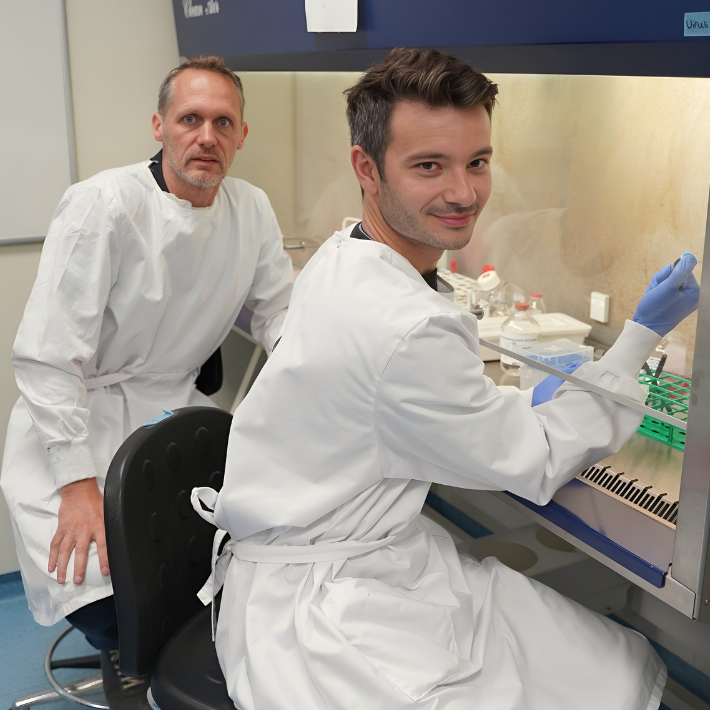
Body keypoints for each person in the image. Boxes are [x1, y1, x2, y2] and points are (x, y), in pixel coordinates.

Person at [193, 49, 699, 710]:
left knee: (607, 663)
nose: (463, 193)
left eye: (477, 162)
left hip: (353, 560)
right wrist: (638, 338)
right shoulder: (406, 327)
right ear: (366, 168)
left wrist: (516, 396)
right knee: (608, 674)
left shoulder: (344, 253)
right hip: (322, 617)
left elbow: (402, 394)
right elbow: (537, 461)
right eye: (429, 166)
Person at [0, 56, 293, 700]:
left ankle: (165, 657)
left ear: (242, 135)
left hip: (170, 418)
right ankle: (128, 658)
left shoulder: (250, 208)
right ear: (159, 126)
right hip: (77, 418)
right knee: (103, 588)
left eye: (223, 122)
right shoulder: (102, 205)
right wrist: (78, 485)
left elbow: (280, 317)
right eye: (190, 119)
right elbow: (49, 357)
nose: (206, 137)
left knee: (223, 560)